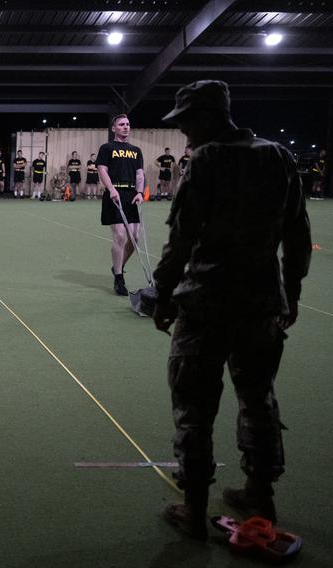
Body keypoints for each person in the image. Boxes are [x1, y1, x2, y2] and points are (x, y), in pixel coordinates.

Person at [153, 79, 312, 541]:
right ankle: (260, 494)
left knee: (194, 407)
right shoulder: (278, 155)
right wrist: (293, 293)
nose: (184, 135)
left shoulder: (207, 159)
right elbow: (297, 234)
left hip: (206, 302)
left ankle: (194, 507)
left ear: (205, 117)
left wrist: (163, 294)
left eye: (185, 125)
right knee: (258, 399)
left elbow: (182, 236)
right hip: (262, 302)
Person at [96, 114, 145, 296]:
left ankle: (118, 265)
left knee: (135, 238)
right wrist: (111, 189)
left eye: (128, 124)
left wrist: (140, 193)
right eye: (122, 124)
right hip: (114, 194)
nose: (126, 127)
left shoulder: (136, 150)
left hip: (131, 195)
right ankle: (119, 278)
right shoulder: (107, 148)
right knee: (120, 236)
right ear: (114, 128)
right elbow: (102, 170)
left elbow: (140, 175)